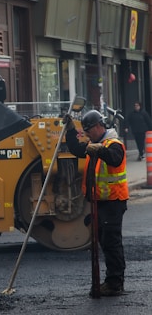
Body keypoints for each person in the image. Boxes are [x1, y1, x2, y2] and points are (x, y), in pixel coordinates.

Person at [64, 110, 128, 297]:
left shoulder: (114, 144)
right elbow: (77, 149)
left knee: (111, 242)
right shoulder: (95, 143)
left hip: (113, 202)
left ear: (99, 126)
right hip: (101, 202)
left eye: (88, 131)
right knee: (104, 240)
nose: (87, 134)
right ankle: (112, 280)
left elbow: (114, 159)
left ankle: (115, 282)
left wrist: (99, 150)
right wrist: (70, 130)